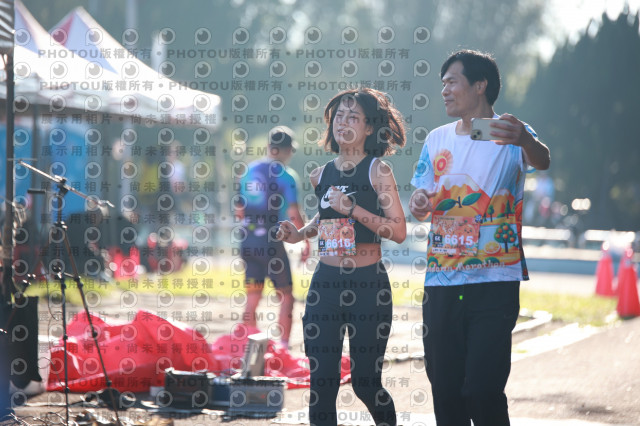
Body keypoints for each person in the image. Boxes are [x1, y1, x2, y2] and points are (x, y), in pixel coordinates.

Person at [409, 49, 551, 426]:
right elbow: (421, 199)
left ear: (480, 85)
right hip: (441, 281)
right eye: (442, 83)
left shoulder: (510, 132)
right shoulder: (437, 139)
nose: (444, 90)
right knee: (446, 391)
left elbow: (543, 160)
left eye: (452, 82)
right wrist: (420, 201)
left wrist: (525, 139)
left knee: (483, 391)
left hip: (494, 280)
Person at [277, 88, 407, 426]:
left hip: (368, 287)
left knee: (366, 383)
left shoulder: (378, 171)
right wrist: (298, 234)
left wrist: (354, 209)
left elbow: (398, 230)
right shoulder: (320, 174)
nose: (343, 123)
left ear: (369, 128)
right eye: (339, 116)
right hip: (326, 285)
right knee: (321, 384)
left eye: (353, 117)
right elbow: (324, 218)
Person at [234, 126, 309, 348]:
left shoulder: (248, 170)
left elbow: (239, 210)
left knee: (252, 297)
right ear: (288, 150)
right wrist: (306, 239)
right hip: (270, 242)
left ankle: (248, 348)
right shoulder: (286, 175)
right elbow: (293, 213)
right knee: (286, 296)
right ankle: (283, 347)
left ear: (268, 146)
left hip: (247, 241)